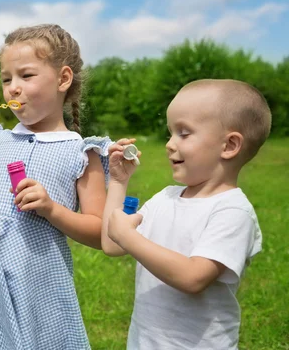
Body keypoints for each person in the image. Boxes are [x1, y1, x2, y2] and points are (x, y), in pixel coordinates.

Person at [0, 24, 114, 349]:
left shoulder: (80, 151)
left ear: (63, 79)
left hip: (38, 281)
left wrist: (52, 209)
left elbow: (101, 232)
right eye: (7, 79)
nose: (13, 89)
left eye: (26, 76)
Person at [101, 79, 270, 349]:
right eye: (170, 133)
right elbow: (111, 243)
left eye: (184, 133)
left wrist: (128, 236)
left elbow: (193, 277)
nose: (169, 144)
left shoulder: (233, 211)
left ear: (229, 146)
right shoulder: (165, 198)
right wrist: (119, 182)